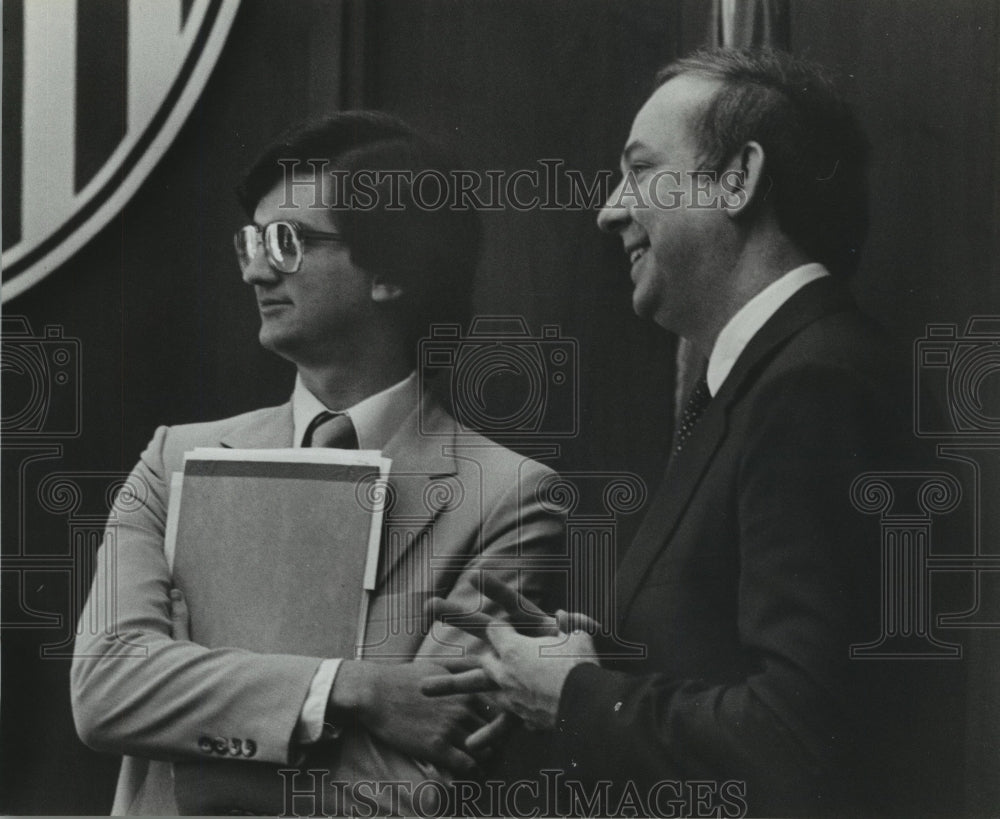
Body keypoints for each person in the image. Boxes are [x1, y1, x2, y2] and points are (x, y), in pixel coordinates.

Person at [426, 48, 961, 817]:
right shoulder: (780, 376)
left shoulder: (815, 384)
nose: (609, 209)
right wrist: (600, 663)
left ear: (739, 179)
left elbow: (800, 740)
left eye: (641, 171)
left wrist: (575, 694)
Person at [70, 111, 564, 816]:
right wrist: (350, 689)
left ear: (390, 272)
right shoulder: (171, 459)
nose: (253, 267)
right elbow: (103, 691)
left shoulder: (511, 497)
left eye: (288, 241)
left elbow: (417, 789)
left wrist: (185, 731)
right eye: (253, 240)